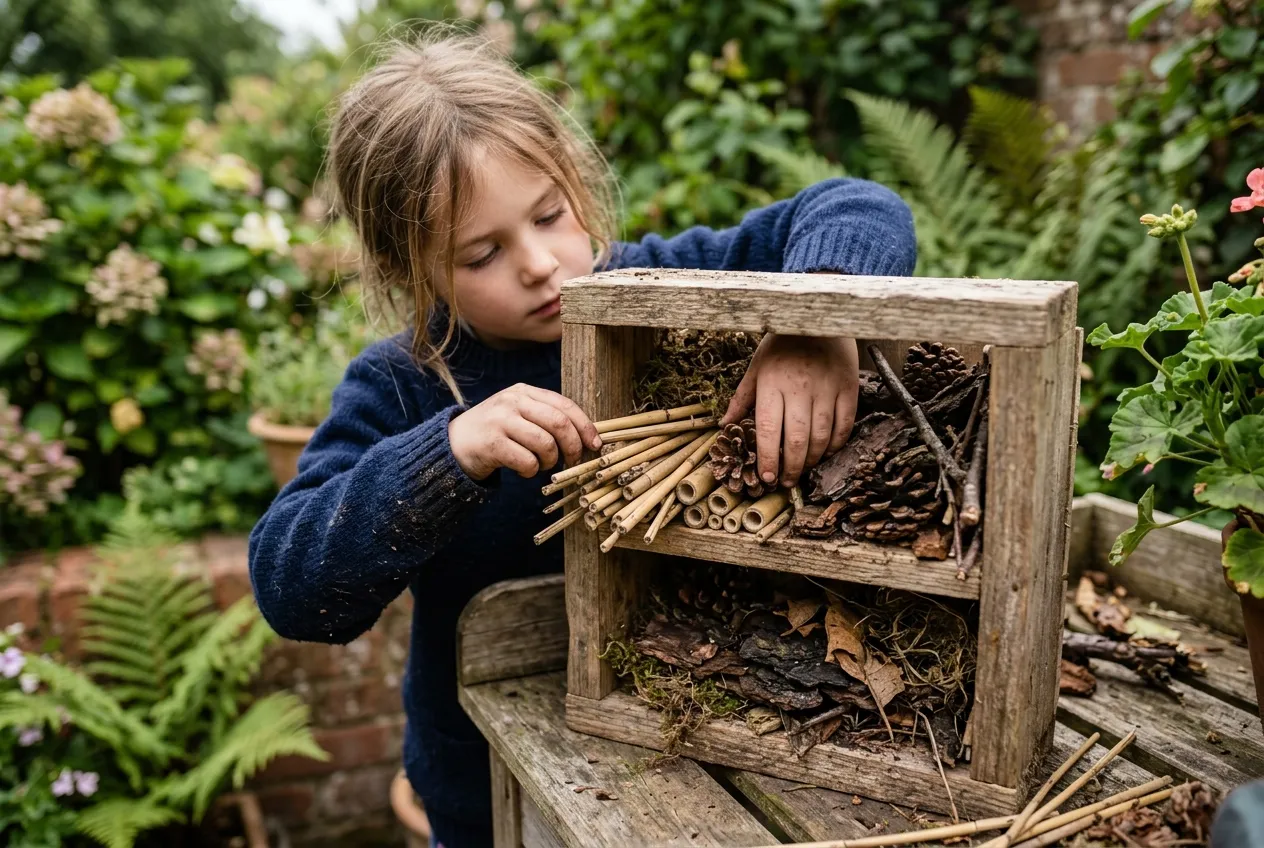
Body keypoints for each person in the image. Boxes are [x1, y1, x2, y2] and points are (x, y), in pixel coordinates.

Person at [247, 29, 917, 848]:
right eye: (482, 253)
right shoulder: (402, 385)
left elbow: (856, 203)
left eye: (548, 215)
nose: (538, 263)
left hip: (695, 769)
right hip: (491, 794)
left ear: (575, 183)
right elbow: (291, 585)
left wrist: (815, 320)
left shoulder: (662, 285)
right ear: (407, 269)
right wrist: (447, 451)